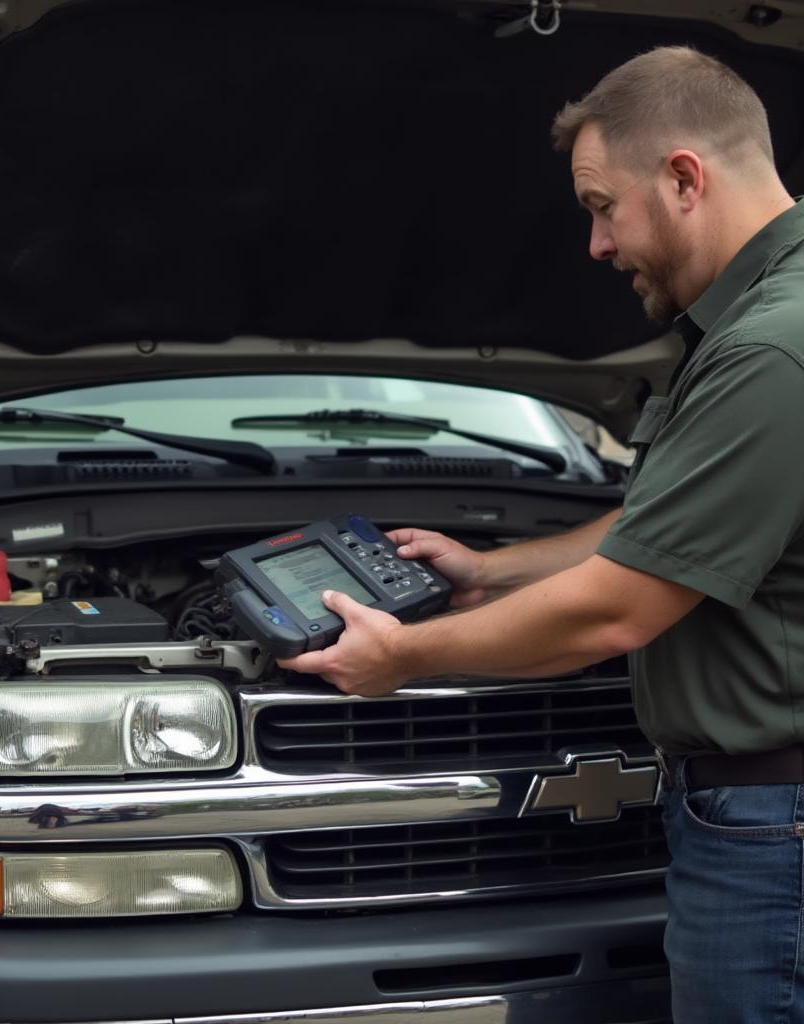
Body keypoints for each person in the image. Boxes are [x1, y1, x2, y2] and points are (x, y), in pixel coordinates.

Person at [277, 46, 804, 1023]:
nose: (597, 247)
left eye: (601, 207)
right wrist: (489, 573)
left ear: (683, 177)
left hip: (770, 832)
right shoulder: (762, 323)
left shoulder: (774, 347)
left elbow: (616, 607)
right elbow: (665, 520)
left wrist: (403, 656)